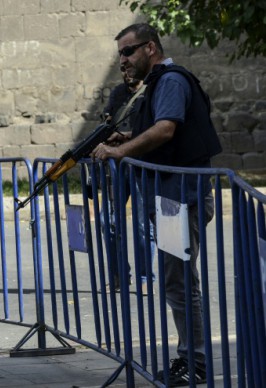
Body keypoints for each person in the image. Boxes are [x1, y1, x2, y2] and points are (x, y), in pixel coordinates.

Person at [90, 23, 222, 386]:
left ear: (151, 48)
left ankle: (195, 364)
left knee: (179, 283)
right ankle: (191, 359)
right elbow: (161, 130)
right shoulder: (159, 82)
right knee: (175, 282)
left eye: (129, 51)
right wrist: (129, 136)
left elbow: (166, 129)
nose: (123, 61)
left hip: (183, 198)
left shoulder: (171, 80)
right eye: (119, 54)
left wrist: (119, 150)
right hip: (171, 199)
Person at [101, 65, 156, 296]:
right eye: (122, 68)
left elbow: (154, 129)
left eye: (130, 67)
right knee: (108, 221)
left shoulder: (152, 92)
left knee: (144, 225)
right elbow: (108, 124)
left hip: (140, 164)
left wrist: (125, 138)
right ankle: (118, 275)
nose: (127, 72)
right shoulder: (117, 94)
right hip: (118, 166)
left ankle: (146, 277)